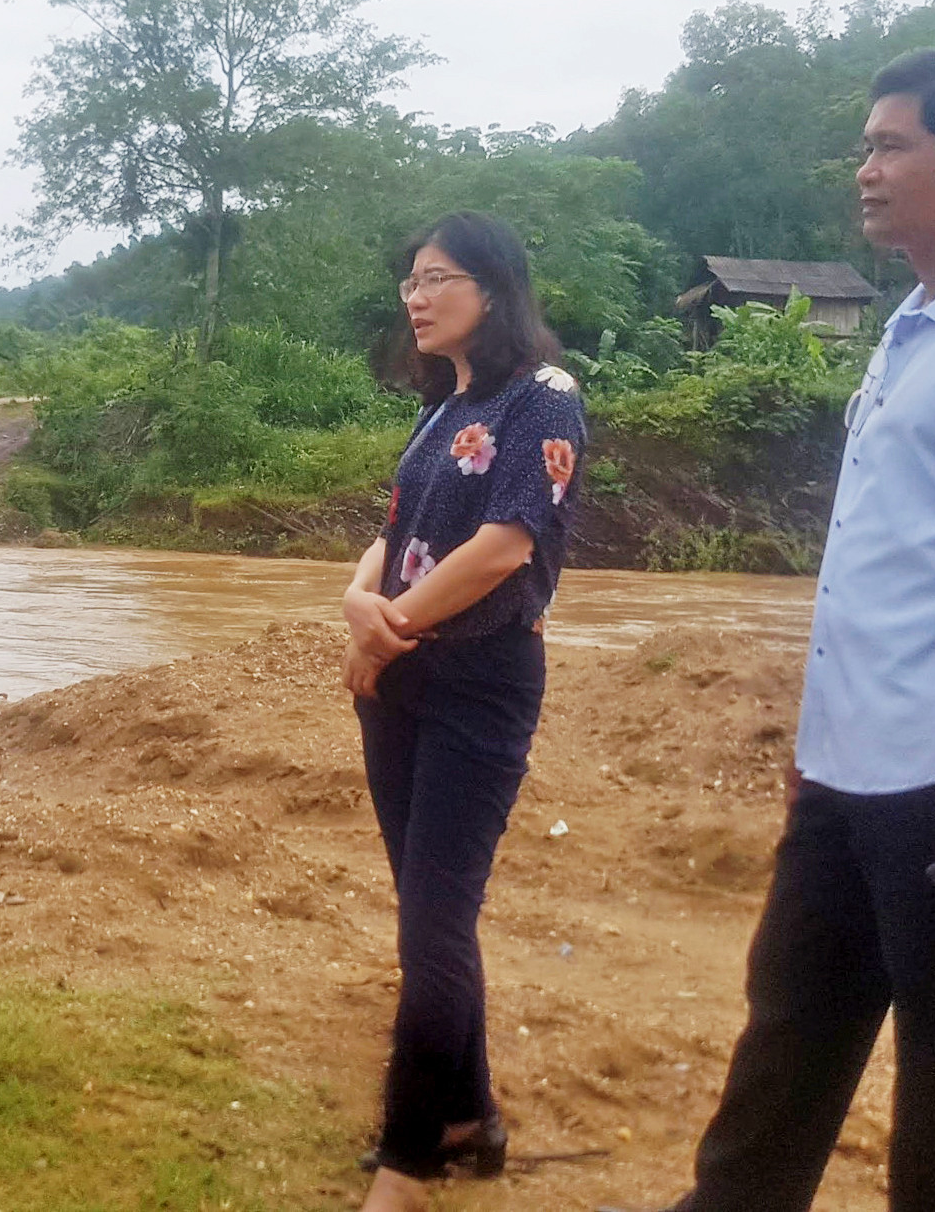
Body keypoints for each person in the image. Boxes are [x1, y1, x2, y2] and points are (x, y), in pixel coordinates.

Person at [608, 45, 935, 1212]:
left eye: (893, 145)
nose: (866, 169)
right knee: (785, 1039)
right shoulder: (908, 325)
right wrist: (815, 751)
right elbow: (889, 565)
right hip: (845, 773)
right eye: (866, 145)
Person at [341, 211, 587, 1212]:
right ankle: (466, 1120)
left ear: (496, 289)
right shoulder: (442, 407)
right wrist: (360, 607)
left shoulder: (546, 400)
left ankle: (406, 1165)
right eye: (411, 279)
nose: (416, 294)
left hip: (478, 681)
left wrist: (384, 620)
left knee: (435, 925)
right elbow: (397, 529)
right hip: (397, 676)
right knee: (426, 914)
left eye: (438, 277)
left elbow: (503, 546)